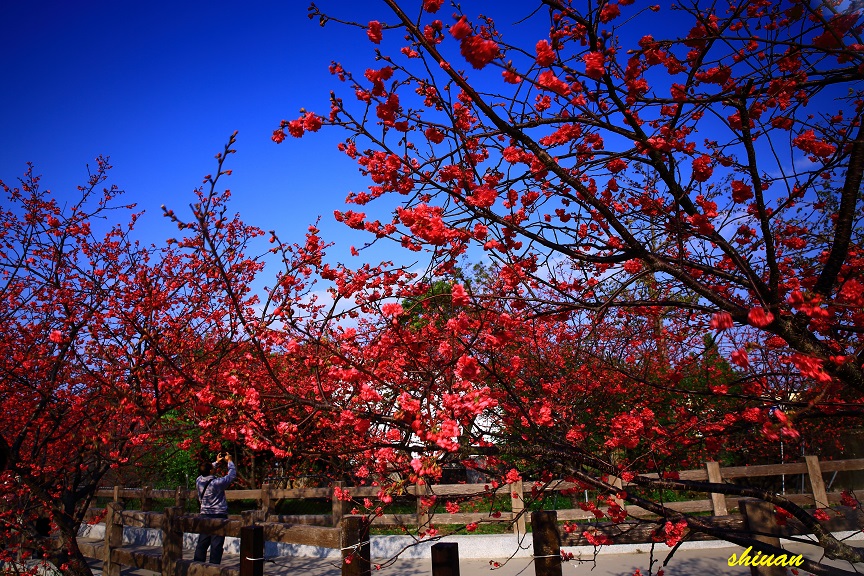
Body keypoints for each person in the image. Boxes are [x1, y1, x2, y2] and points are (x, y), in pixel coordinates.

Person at [193, 452, 236, 564]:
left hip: (204, 515)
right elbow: (231, 476)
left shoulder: (199, 481)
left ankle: (197, 564)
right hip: (218, 515)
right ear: (211, 471)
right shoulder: (216, 483)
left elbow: (205, 471)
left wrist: (216, 462)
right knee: (216, 544)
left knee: (202, 542)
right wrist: (230, 461)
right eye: (212, 467)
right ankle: (214, 567)